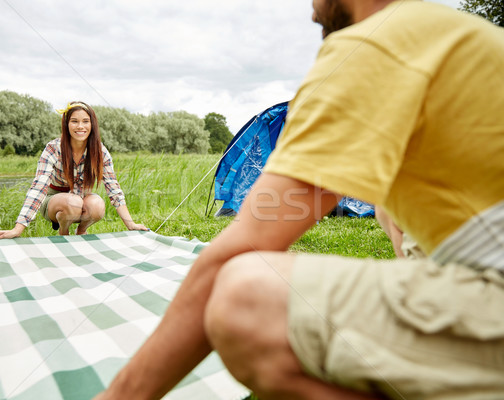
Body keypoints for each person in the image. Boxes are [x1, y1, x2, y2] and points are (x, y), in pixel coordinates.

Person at [95, 0, 504, 398]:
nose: (311, 11)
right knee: (388, 207)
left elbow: (236, 250)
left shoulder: (372, 44)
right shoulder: (458, 35)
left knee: (244, 295)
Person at [0, 101, 147, 240]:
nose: (80, 126)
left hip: (81, 198)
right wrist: (18, 228)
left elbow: (114, 188)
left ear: (92, 125)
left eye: (85, 121)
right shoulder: (53, 148)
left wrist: (130, 224)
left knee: (97, 205)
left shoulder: (100, 151)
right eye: (74, 121)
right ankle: (63, 232)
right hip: (55, 201)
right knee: (72, 202)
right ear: (66, 125)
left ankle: (81, 232)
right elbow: (38, 187)